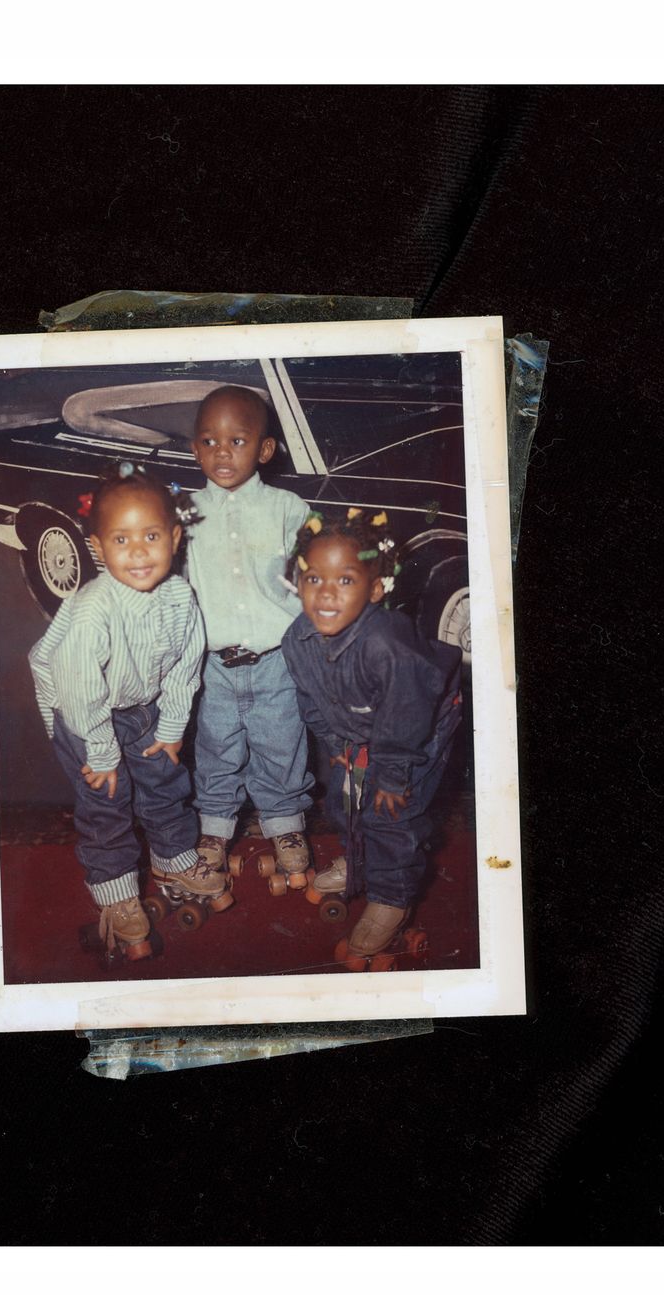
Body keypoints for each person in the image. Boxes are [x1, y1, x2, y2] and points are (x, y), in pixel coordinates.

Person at [28, 463, 233, 960]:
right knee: (108, 802)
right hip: (81, 713)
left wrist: (170, 728)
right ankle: (116, 892)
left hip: (141, 702)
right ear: (97, 548)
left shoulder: (181, 597)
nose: (138, 552)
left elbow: (187, 666)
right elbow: (80, 690)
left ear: (175, 537)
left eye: (151, 536)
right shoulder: (93, 608)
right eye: (121, 540)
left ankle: (173, 859)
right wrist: (101, 752)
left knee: (164, 777)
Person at [282, 510, 465, 969]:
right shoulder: (296, 639)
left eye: (344, 581)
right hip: (361, 727)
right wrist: (337, 747)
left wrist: (391, 774)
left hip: (420, 724)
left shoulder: (385, 643)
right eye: (313, 579)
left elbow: (404, 720)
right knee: (344, 800)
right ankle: (360, 862)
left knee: (391, 813)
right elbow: (310, 700)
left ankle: (392, 897)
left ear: (376, 588)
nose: (325, 593)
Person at [182, 385, 317, 894]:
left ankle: (284, 826)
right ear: (195, 449)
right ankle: (214, 830)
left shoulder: (288, 508)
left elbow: (312, 575)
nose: (222, 452)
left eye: (237, 440)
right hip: (213, 663)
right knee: (216, 747)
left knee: (281, 744)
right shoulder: (183, 512)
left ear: (264, 450)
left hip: (277, 659)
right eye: (209, 441)